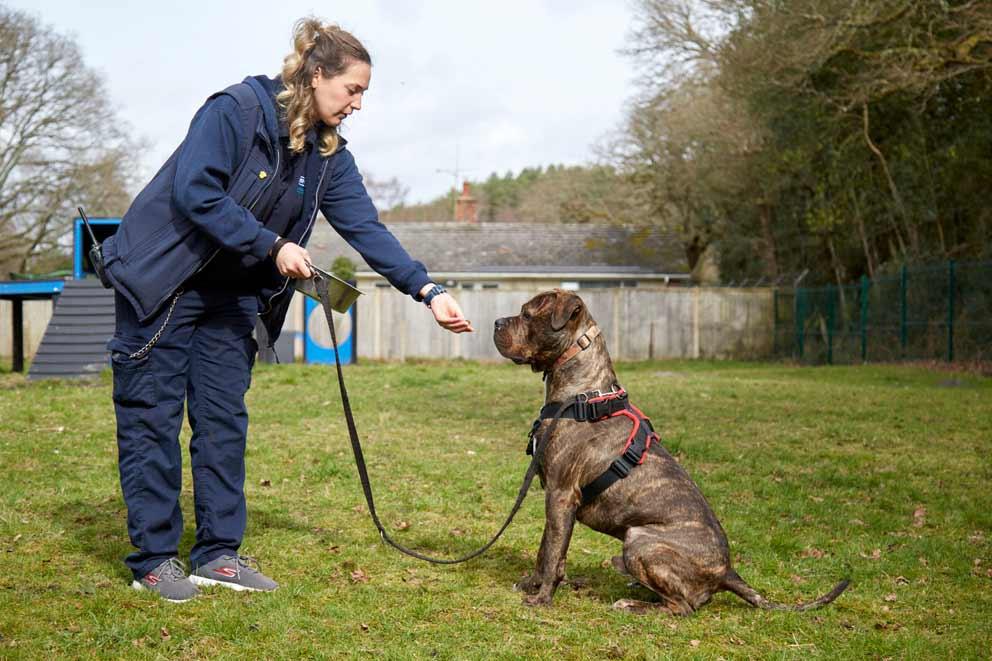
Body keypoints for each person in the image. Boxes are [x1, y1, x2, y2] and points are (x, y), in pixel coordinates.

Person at [101, 17, 473, 603]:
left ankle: (218, 555)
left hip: (231, 298)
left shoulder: (328, 153)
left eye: (363, 95)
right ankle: (153, 559)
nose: (357, 105)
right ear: (316, 74)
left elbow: (366, 229)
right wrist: (272, 246)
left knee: (223, 424)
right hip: (164, 286)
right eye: (352, 90)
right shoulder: (235, 111)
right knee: (153, 422)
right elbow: (196, 193)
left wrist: (427, 291)